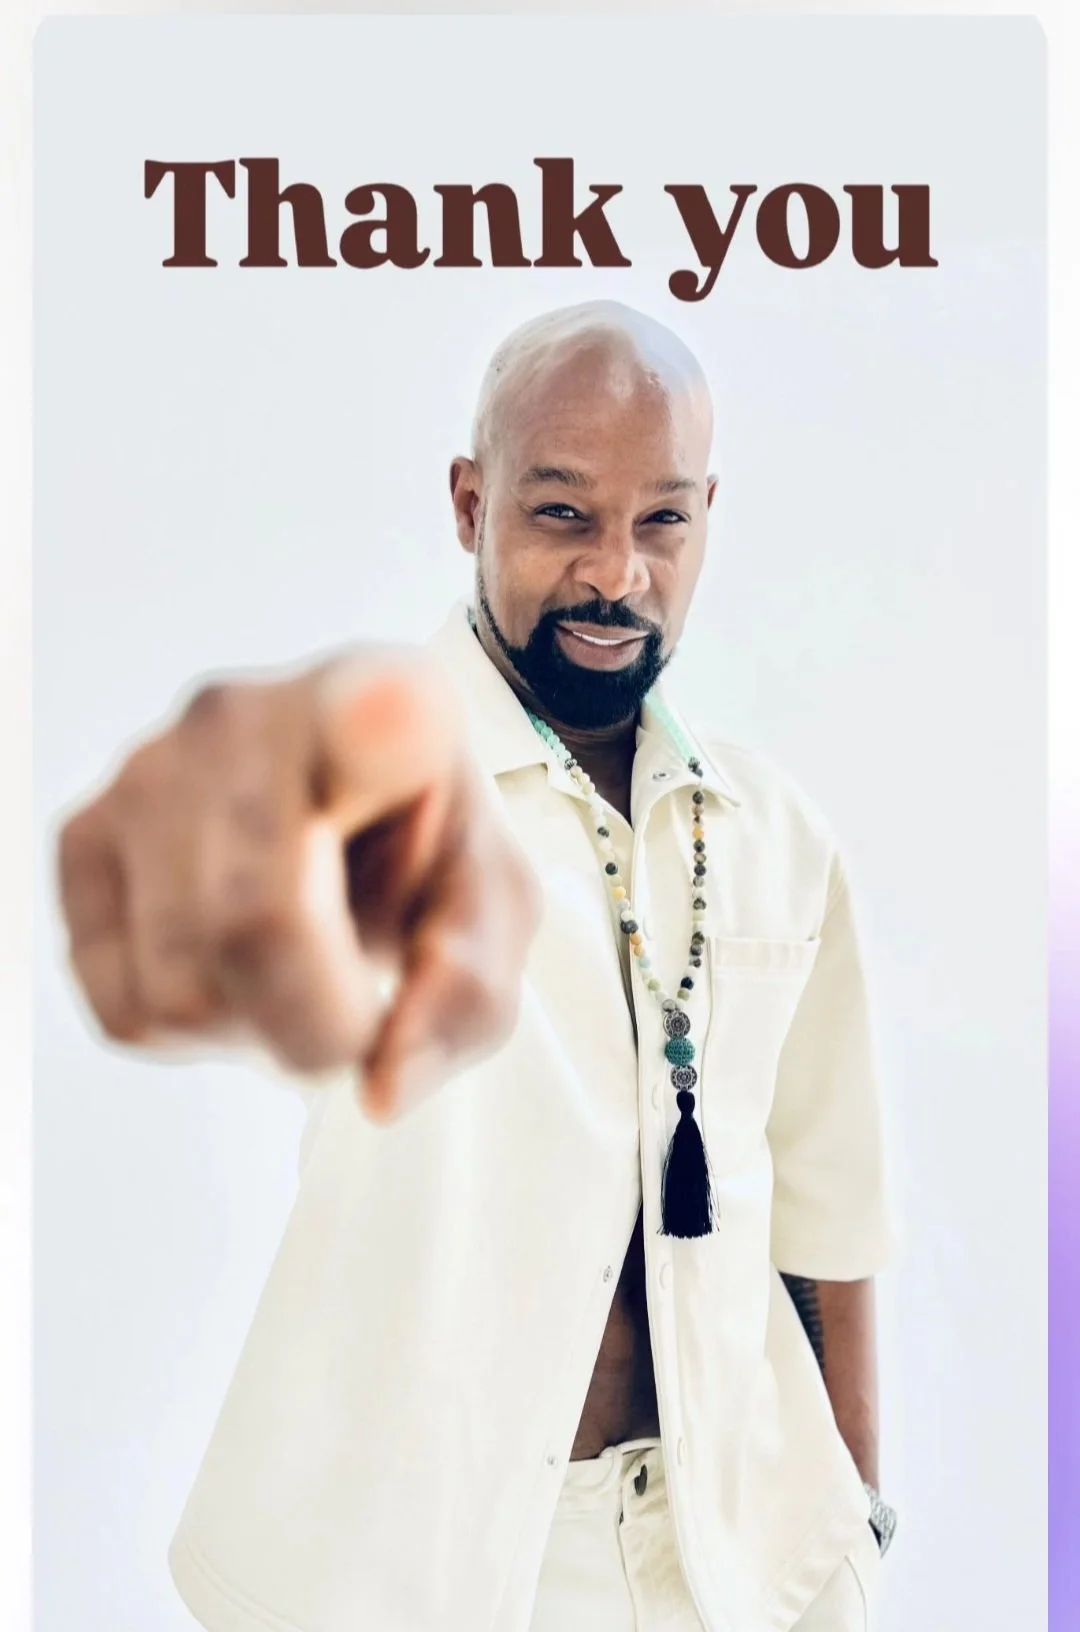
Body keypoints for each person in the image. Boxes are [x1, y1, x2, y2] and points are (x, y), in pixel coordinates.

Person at [57, 300, 898, 1632]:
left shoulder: (775, 833)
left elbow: (827, 1219)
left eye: (662, 520)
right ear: (471, 503)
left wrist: (858, 1522)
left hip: (736, 1558)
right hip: (442, 1566)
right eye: (563, 515)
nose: (616, 574)